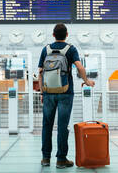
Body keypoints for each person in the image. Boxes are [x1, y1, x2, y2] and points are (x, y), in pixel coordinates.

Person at [38, 23, 95, 169]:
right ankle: (61, 159)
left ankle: (45, 158)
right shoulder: (70, 49)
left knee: (47, 126)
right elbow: (80, 67)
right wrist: (87, 81)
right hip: (65, 92)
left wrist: (42, 91)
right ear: (67, 34)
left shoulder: (46, 49)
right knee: (62, 126)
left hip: (48, 93)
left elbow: (40, 72)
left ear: (53, 35)